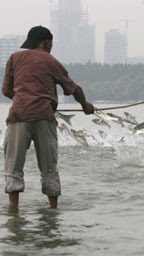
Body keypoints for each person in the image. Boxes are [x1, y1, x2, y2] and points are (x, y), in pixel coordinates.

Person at [2, 25, 94, 209]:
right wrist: (85, 106)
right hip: (45, 117)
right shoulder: (51, 61)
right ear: (46, 42)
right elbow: (74, 89)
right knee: (49, 168)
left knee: (13, 168)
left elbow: (5, 90)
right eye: (51, 42)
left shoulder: (15, 58)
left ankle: (14, 212)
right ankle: (53, 210)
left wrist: (23, 99)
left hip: (19, 116)